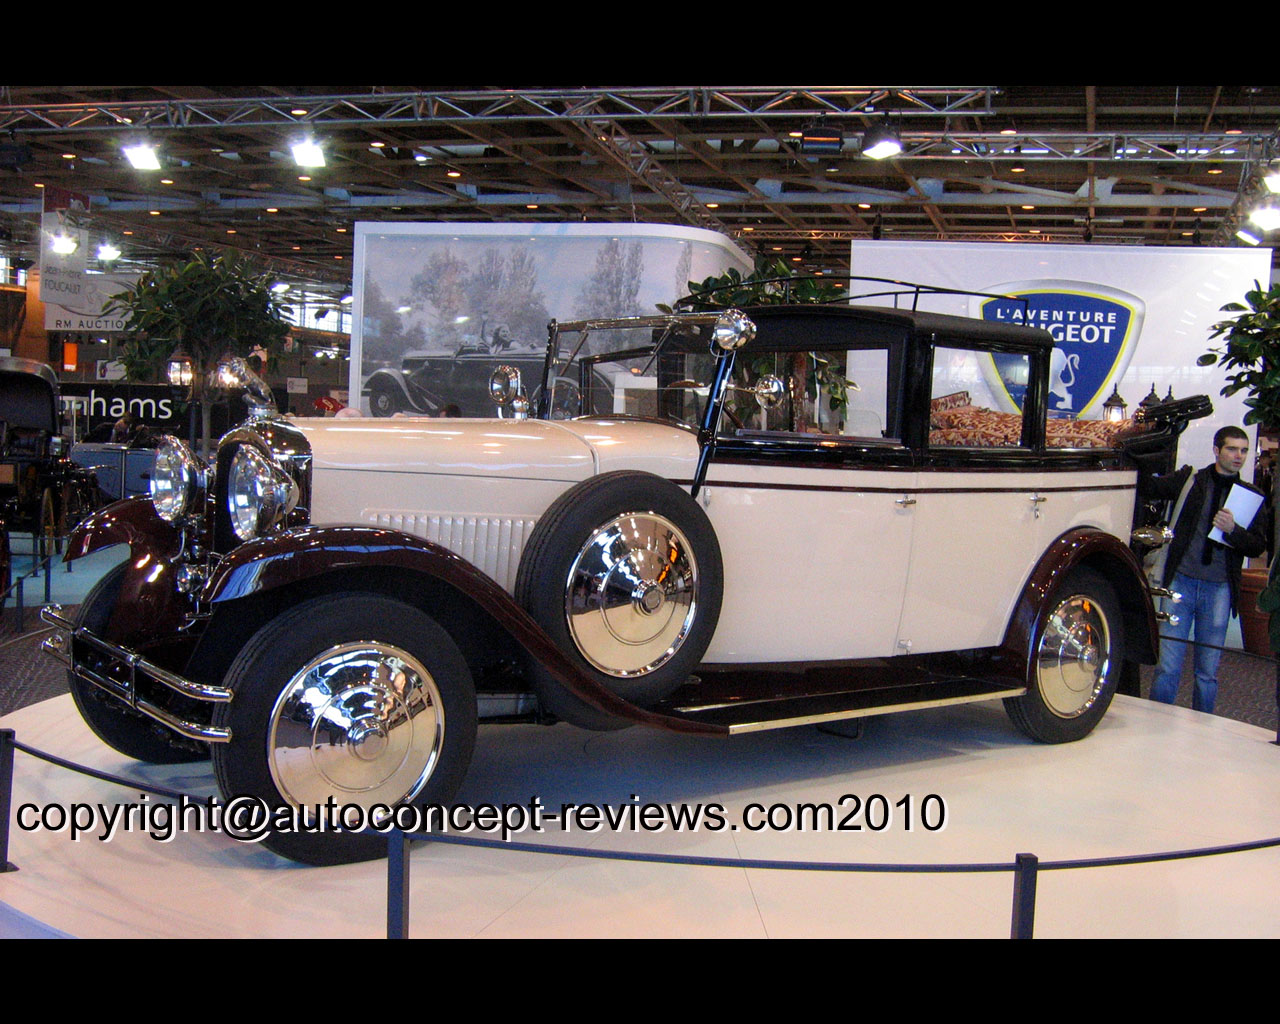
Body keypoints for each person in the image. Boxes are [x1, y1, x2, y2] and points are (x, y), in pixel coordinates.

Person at [1145, 425, 1268, 713]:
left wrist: (1232, 531)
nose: (1238, 456)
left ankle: (1204, 731)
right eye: (1232, 449)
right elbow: (1152, 487)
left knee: (1207, 673)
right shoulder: (1191, 481)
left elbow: (1256, 546)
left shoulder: (1249, 496)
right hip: (1181, 583)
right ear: (1216, 450)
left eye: (1244, 451)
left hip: (1219, 588)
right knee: (1168, 666)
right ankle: (1156, 727)